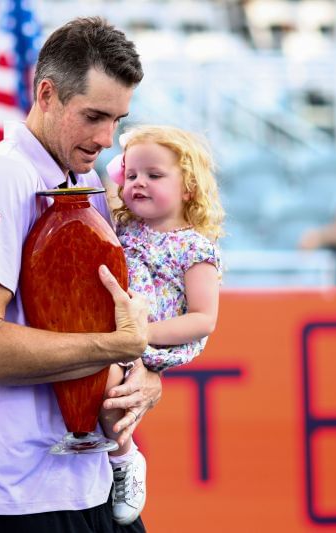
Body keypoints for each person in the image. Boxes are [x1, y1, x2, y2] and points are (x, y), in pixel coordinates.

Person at [0, 17, 162, 533]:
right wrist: (117, 347)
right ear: (47, 94)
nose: (107, 139)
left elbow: (119, 332)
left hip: (90, 481)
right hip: (15, 495)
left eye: (118, 119)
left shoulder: (86, 184)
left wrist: (145, 377)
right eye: (94, 116)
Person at [101, 125, 223, 524]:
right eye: (132, 175)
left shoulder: (195, 248)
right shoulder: (124, 226)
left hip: (155, 338)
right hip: (118, 331)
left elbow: (204, 318)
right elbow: (105, 183)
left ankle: (125, 460)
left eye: (154, 176)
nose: (139, 183)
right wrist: (119, 166)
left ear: (188, 186)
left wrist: (142, 334)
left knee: (111, 392)